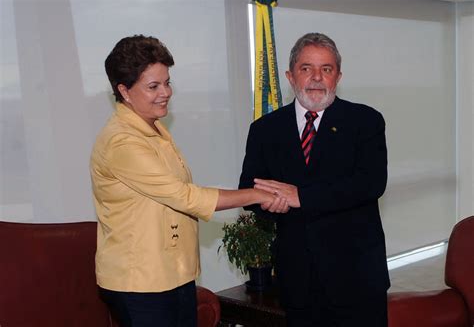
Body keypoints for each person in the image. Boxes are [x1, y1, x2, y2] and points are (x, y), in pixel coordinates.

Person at [90, 35, 290, 327]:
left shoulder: (152, 127)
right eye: (153, 86)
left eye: (167, 82)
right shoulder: (122, 142)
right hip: (140, 283)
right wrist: (257, 194)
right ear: (124, 91)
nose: (166, 92)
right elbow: (187, 197)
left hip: (173, 274)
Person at [239, 32, 390, 326]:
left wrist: (301, 196)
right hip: (298, 279)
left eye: (327, 69)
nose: (317, 78)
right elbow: (250, 189)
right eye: (306, 68)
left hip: (357, 277)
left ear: (338, 76)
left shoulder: (366, 121)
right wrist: (269, 202)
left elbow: (370, 183)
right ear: (290, 75)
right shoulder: (264, 129)